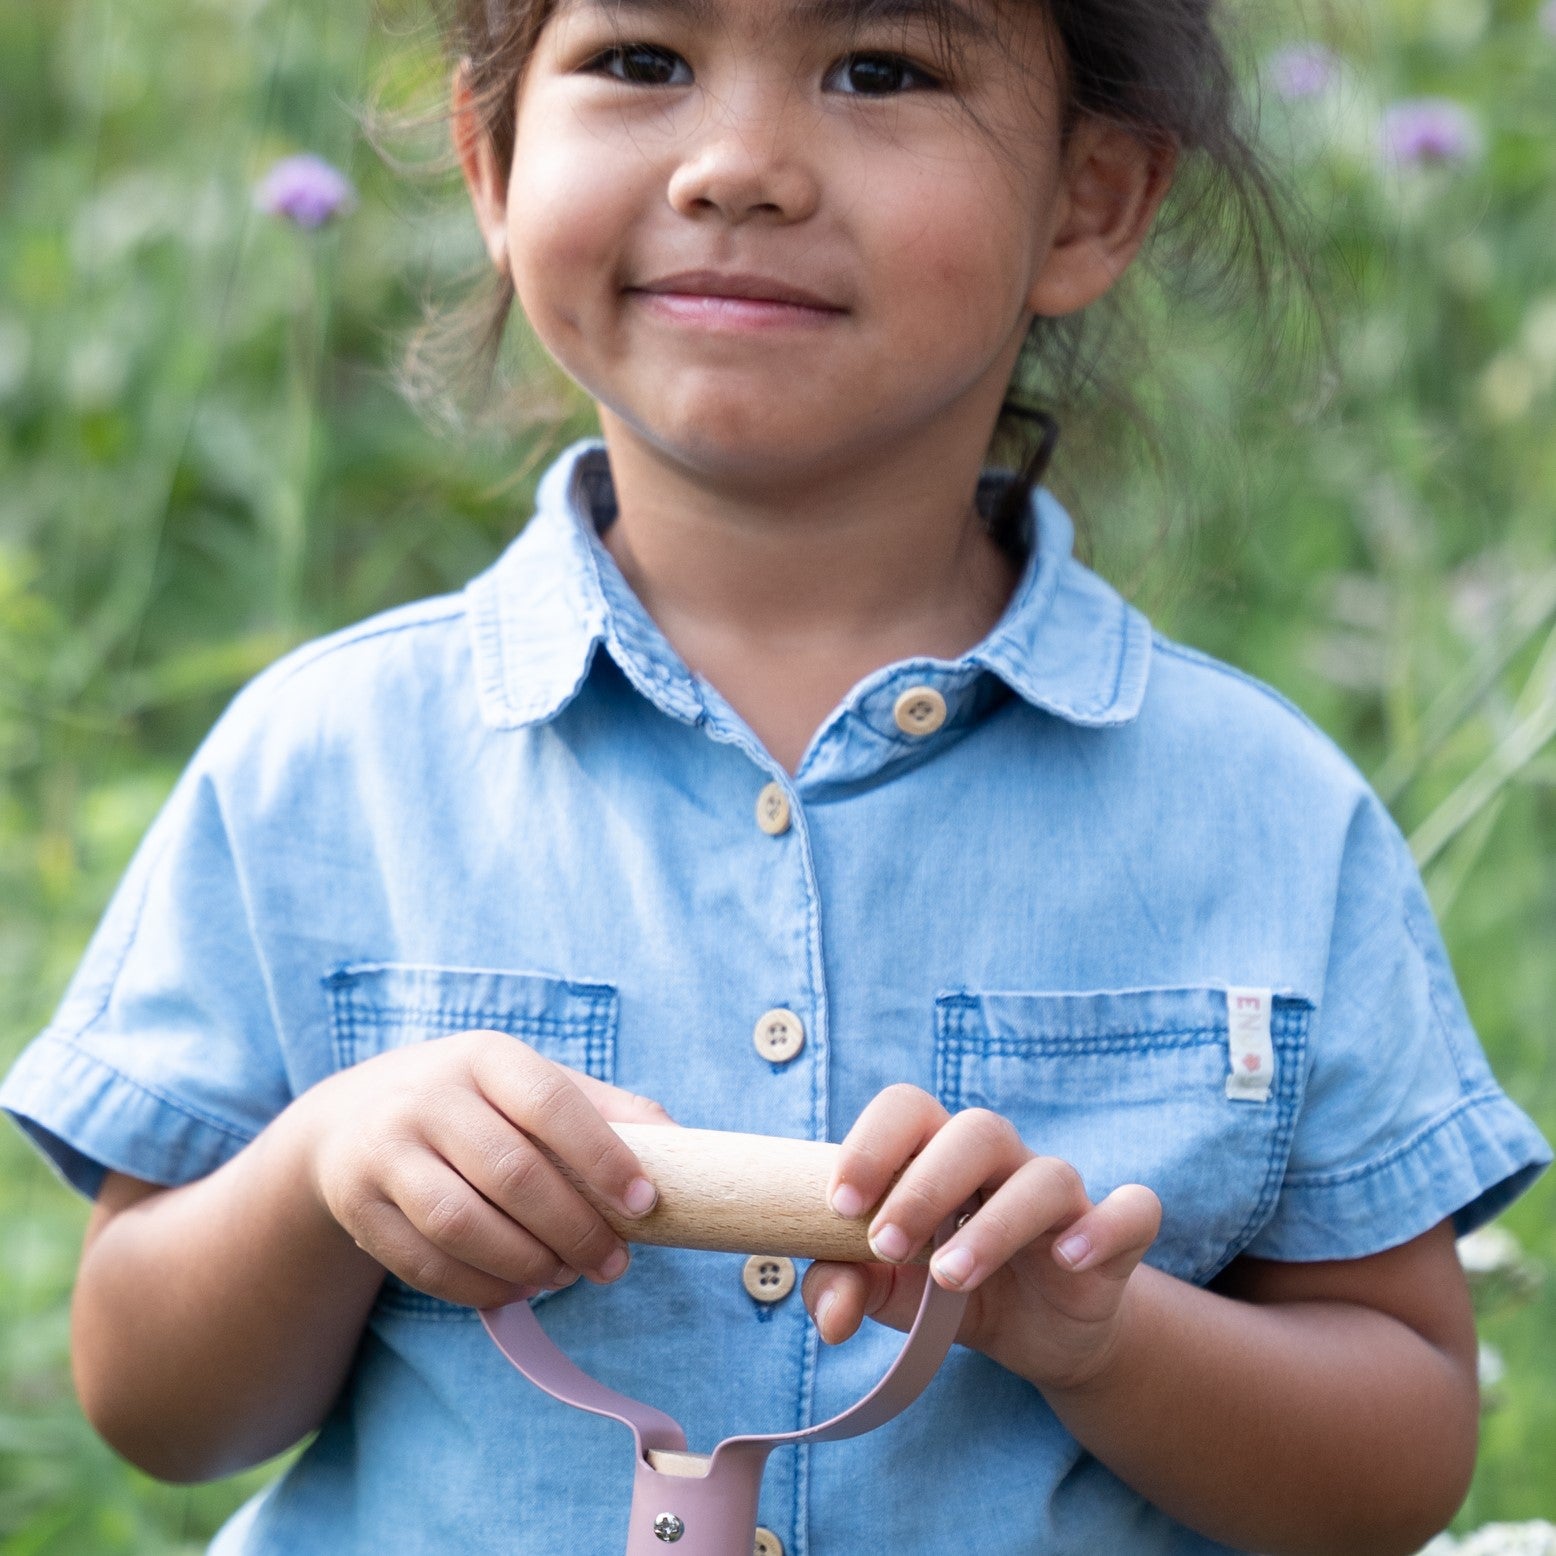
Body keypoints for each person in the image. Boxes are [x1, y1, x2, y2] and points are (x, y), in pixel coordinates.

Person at [2, 0, 1550, 1549]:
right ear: (491, 162)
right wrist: (318, 1174)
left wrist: (1104, 1336)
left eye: (881, 70)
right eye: (641, 61)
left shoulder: (1265, 815)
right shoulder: (320, 769)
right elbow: (156, 1403)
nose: (738, 167)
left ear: (1089, 203)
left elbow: (1398, 1466)